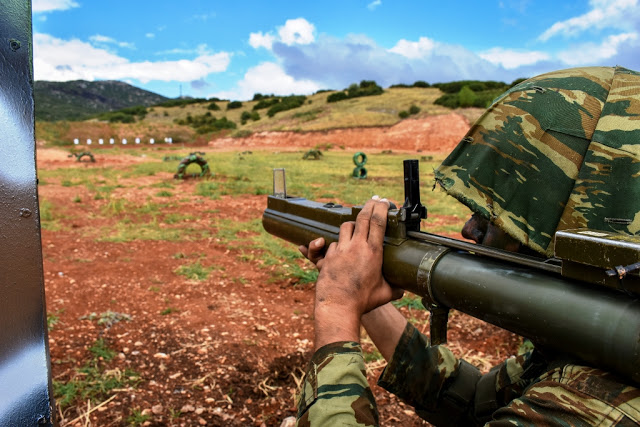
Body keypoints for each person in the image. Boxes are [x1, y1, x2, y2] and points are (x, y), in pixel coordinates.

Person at [294, 66, 640, 426]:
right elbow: (474, 401)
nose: (468, 229)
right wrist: (357, 295)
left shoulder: (597, 408)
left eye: (493, 216)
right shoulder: (597, 347)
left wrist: (335, 311)